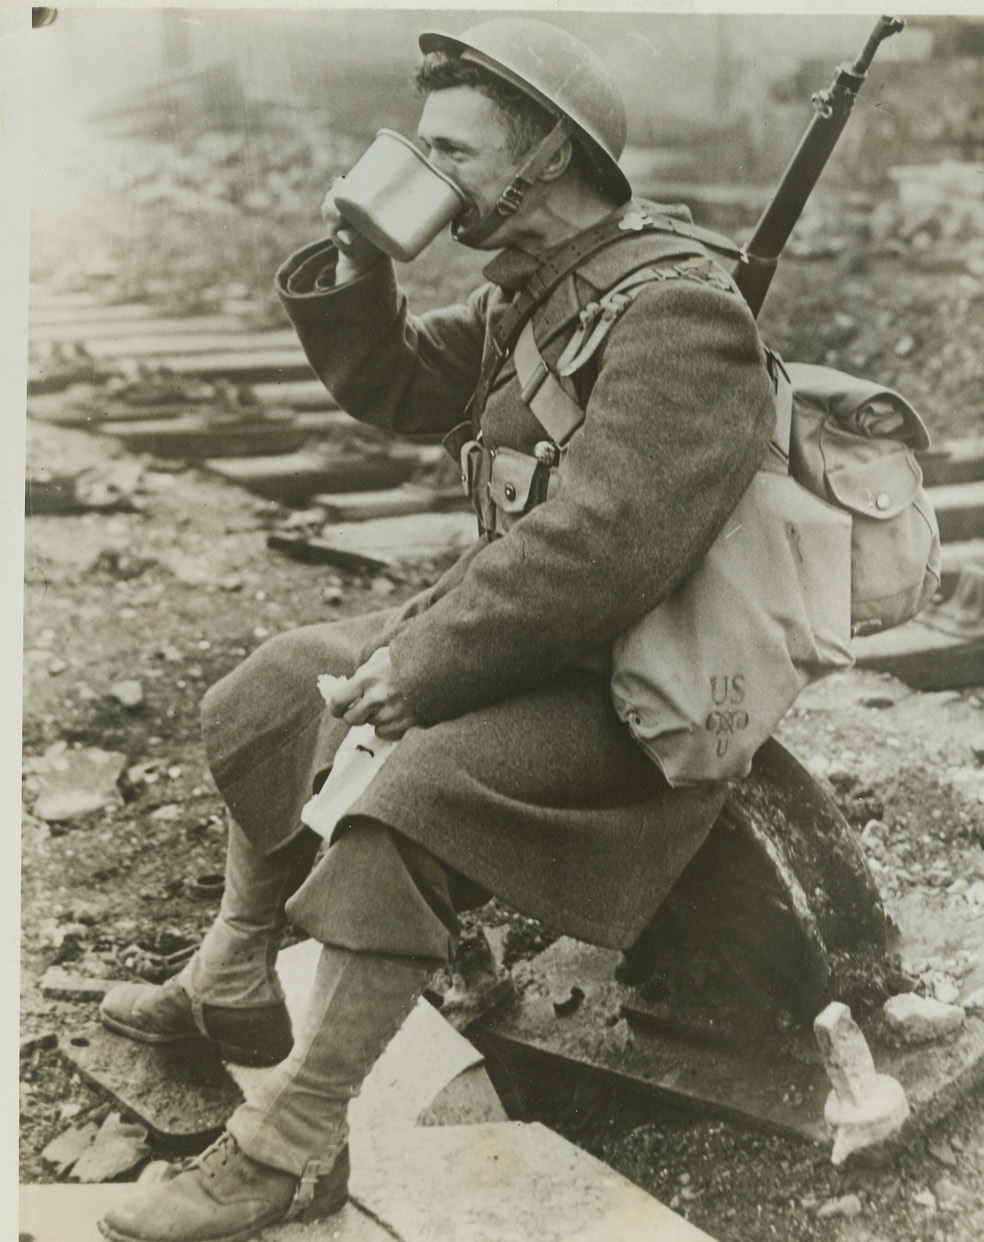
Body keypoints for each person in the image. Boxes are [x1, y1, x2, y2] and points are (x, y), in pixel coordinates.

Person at [97, 18, 776, 1242]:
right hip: (543, 644)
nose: (425, 162)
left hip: (645, 685)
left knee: (399, 794)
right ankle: (237, 970)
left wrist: (421, 665)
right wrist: (361, 253)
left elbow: (606, 548)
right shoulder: (545, 293)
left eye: (453, 146)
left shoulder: (678, 314)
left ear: (547, 157)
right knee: (276, 688)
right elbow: (402, 387)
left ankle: (289, 1146)